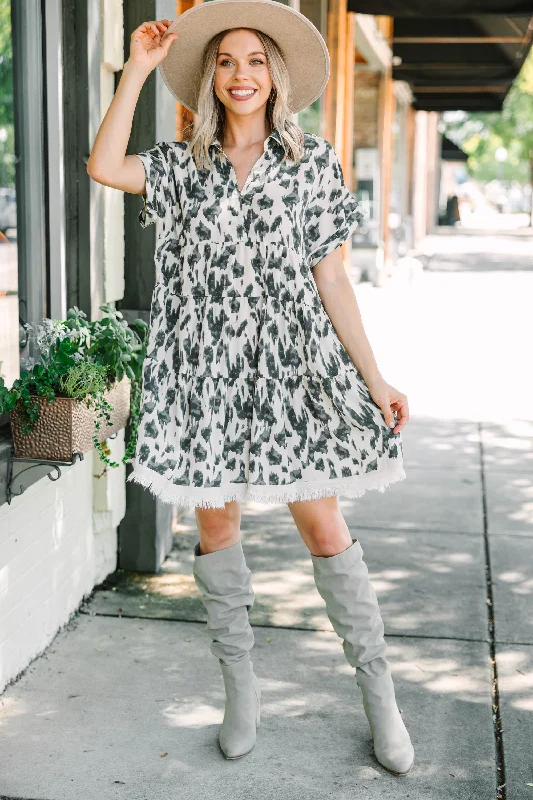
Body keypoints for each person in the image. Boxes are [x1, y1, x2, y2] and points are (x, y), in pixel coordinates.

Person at [87, 1, 413, 776]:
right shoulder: (178, 167)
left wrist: (374, 377)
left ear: (276, 77)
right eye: (227, 62)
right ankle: (241, 693)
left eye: (255, 62)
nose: (241, 75)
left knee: (324, 531)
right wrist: (134, 69)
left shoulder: (312, 161)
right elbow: (103, 166)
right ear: (209, 78)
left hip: (291, 371)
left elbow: (331, 276)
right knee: (218, 532)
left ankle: (380, 698)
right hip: (202, 375)